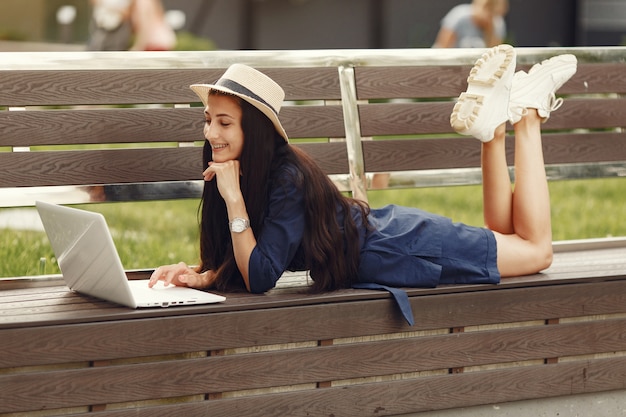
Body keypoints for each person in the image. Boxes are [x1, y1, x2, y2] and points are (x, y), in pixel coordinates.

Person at [149, 45, 577, 321]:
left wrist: (234, 202)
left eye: (224, 122)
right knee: (505, 236)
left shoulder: (285, 178)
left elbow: (260, 277)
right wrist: (204, 275)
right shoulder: (244, 173)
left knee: (536, 251)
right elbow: (252, 265)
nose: (211, 133)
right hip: (389, 242)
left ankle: (529, 116)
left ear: (255, 131)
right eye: (208, 120)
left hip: (402, 247)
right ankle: (494, 130)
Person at [87, 0, 176, 51]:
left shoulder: (143, 2)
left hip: (155, 44)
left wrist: (138, 47)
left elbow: (145, 27)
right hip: (158, 43)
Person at [433, 0, 509, 48]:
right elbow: (441, 47)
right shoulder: (459, 16)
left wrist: (490, 32)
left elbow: (494, 57)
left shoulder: (497, 23)